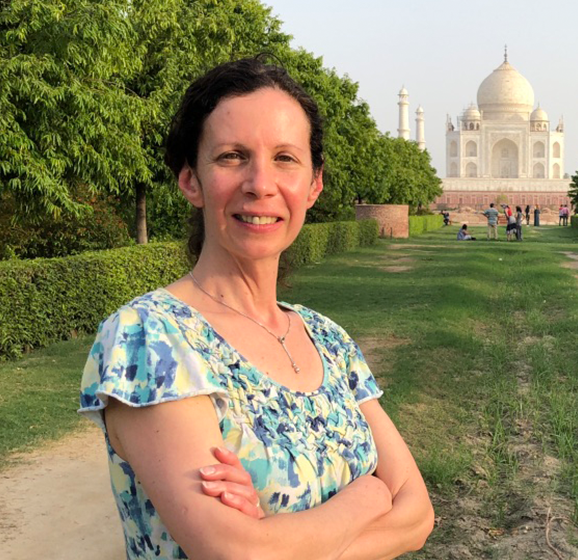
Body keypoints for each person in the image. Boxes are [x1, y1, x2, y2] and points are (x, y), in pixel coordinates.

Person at [77, 58, 433, 559]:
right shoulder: (151, 339)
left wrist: (275, 534)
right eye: (231, 156)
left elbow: (417, 514)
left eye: (285, 158)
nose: (260, 183)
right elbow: (239, 552)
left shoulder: (326, 338)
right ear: (190, 181)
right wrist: (368, 499)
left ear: (314, 185)